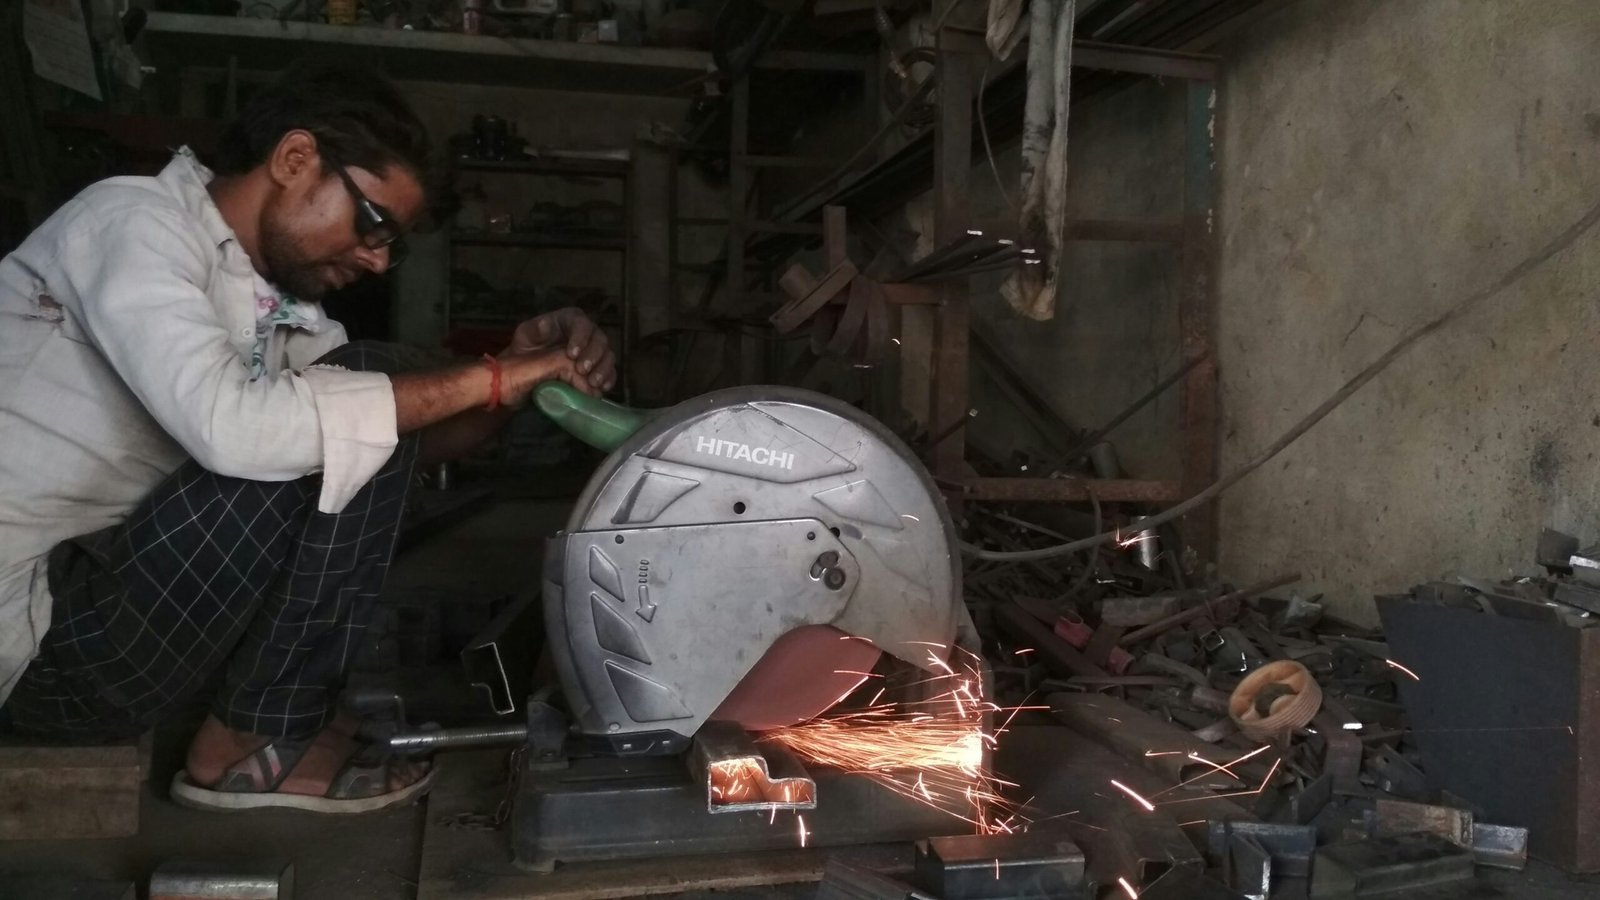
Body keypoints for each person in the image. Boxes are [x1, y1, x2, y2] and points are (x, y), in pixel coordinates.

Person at [0, 64, 616, 814]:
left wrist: (520, 382)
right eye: (373, 224)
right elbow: (240, 431)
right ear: (295, 161)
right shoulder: (132, 225)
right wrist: (492, 376)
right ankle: (250, 741)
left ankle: (263, 723)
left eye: (394, 244)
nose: (378, 259)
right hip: (34, 659)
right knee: (352, 391)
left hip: (95, 618)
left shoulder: (272, 303)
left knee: (363, 397)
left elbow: (405, 438)